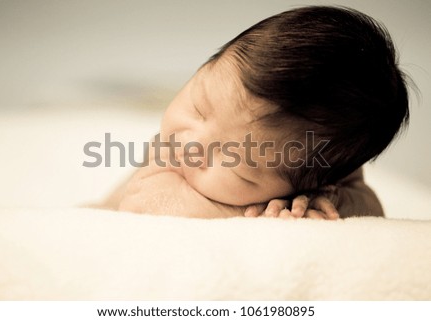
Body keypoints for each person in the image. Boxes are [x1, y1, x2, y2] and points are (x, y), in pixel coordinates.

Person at [99, 6, 410, 219]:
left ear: (311, 183)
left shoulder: (328, 166)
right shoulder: (166, 155)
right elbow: (143, 203)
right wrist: (232, 213)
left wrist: (337, 202)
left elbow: (370, 207)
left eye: (237, 167)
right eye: (199, 107)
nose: (191, 147)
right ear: (204, 67)